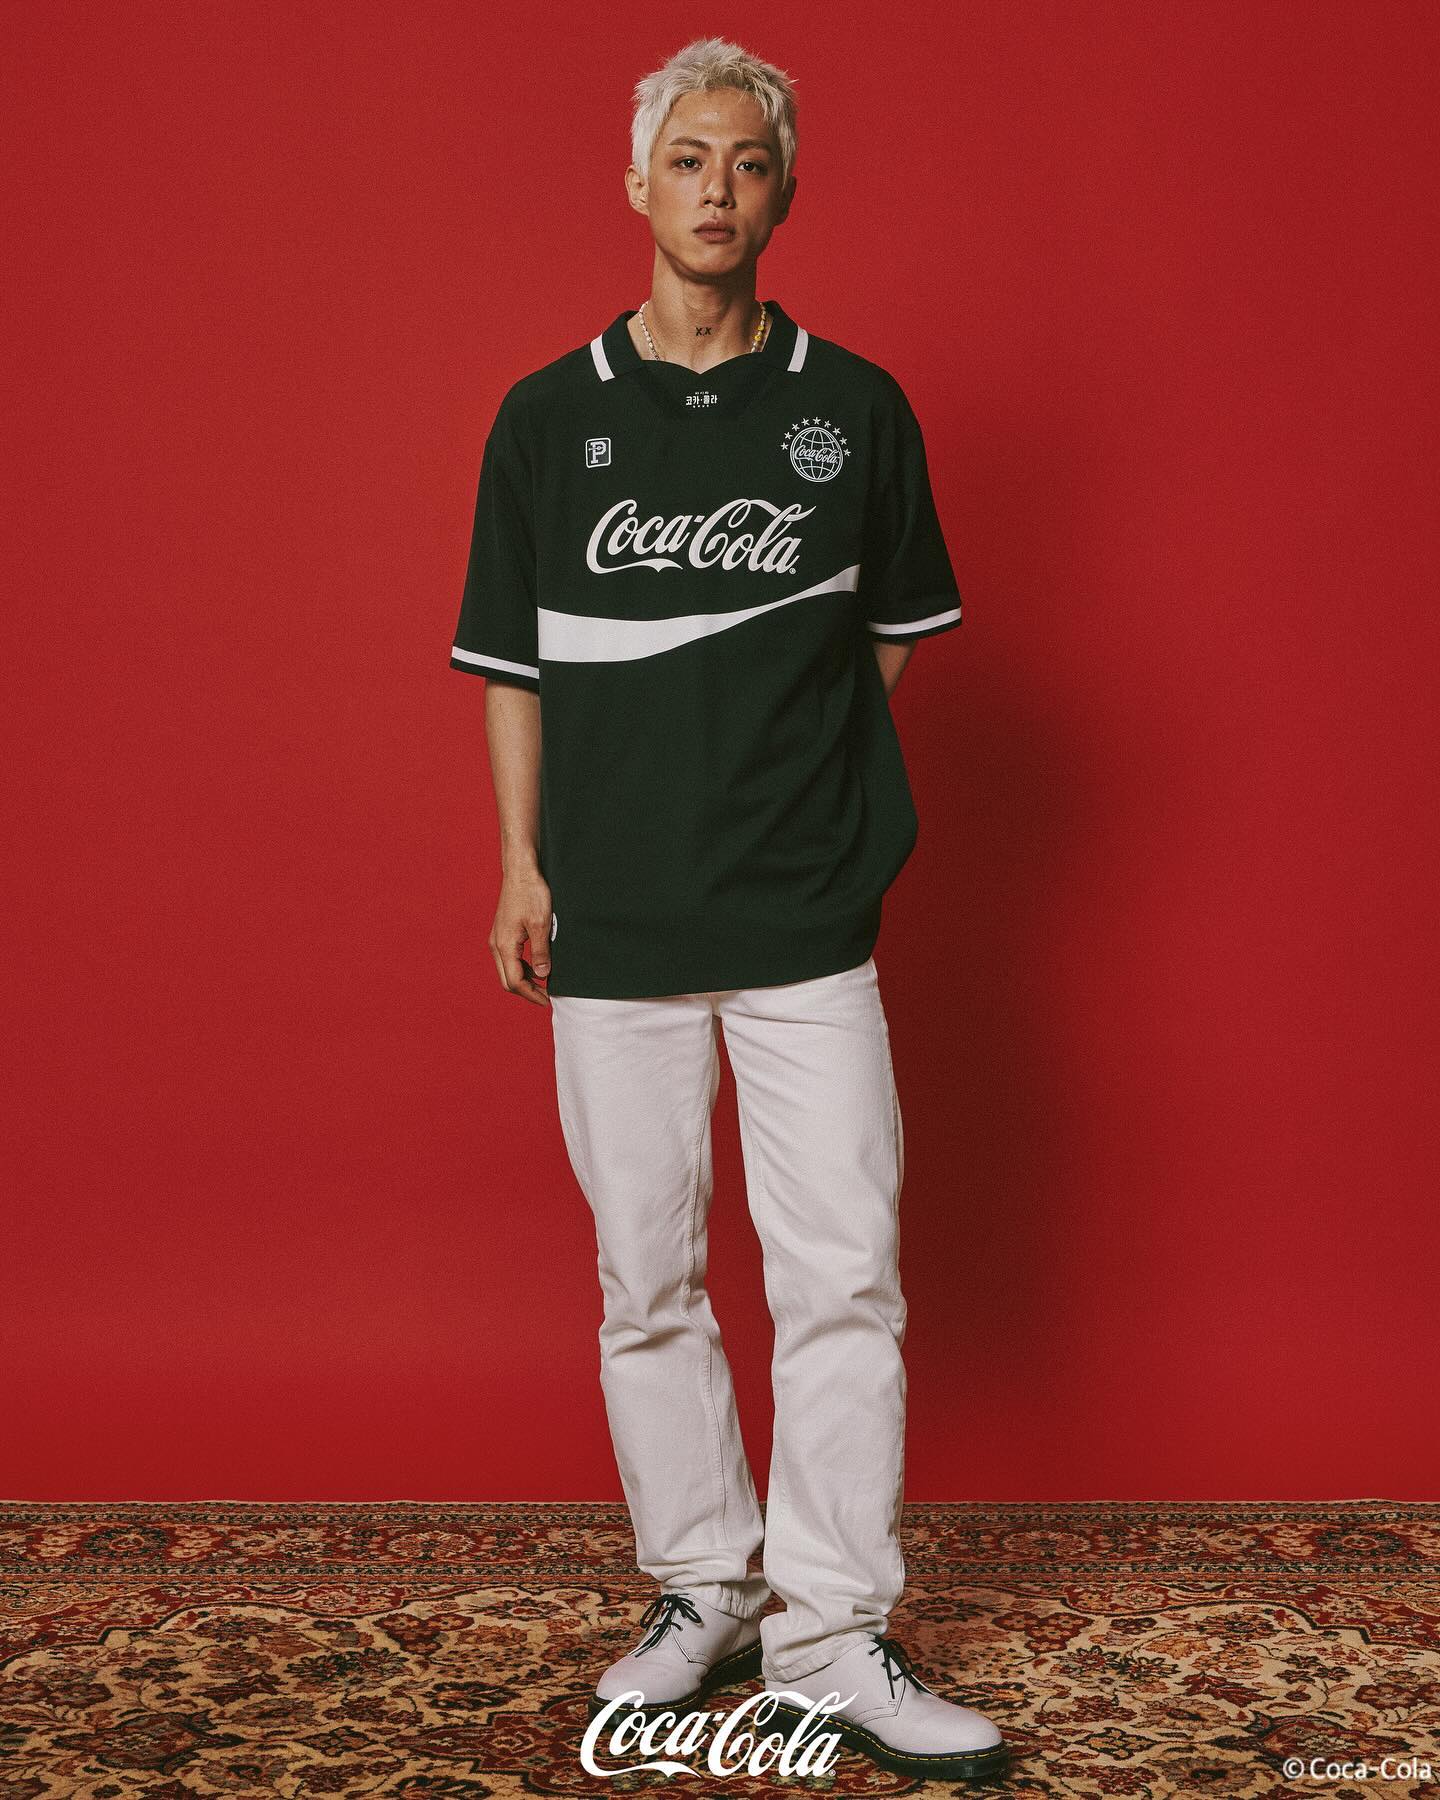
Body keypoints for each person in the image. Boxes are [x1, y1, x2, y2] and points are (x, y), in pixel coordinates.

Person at [449, 34, 1007, 1785]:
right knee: (646, 1278)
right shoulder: (547, 418)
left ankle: (833, 1636)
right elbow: (512, 667)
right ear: (638, 183)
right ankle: (706, 1586)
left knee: (845, 1275)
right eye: (687, 158)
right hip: (612, 920)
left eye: (747, 163)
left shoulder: (859, 412)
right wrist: (524, 864)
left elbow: (889, 645)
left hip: (802, 926)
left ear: (784, 194)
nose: (716, 188)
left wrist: (798, 791)